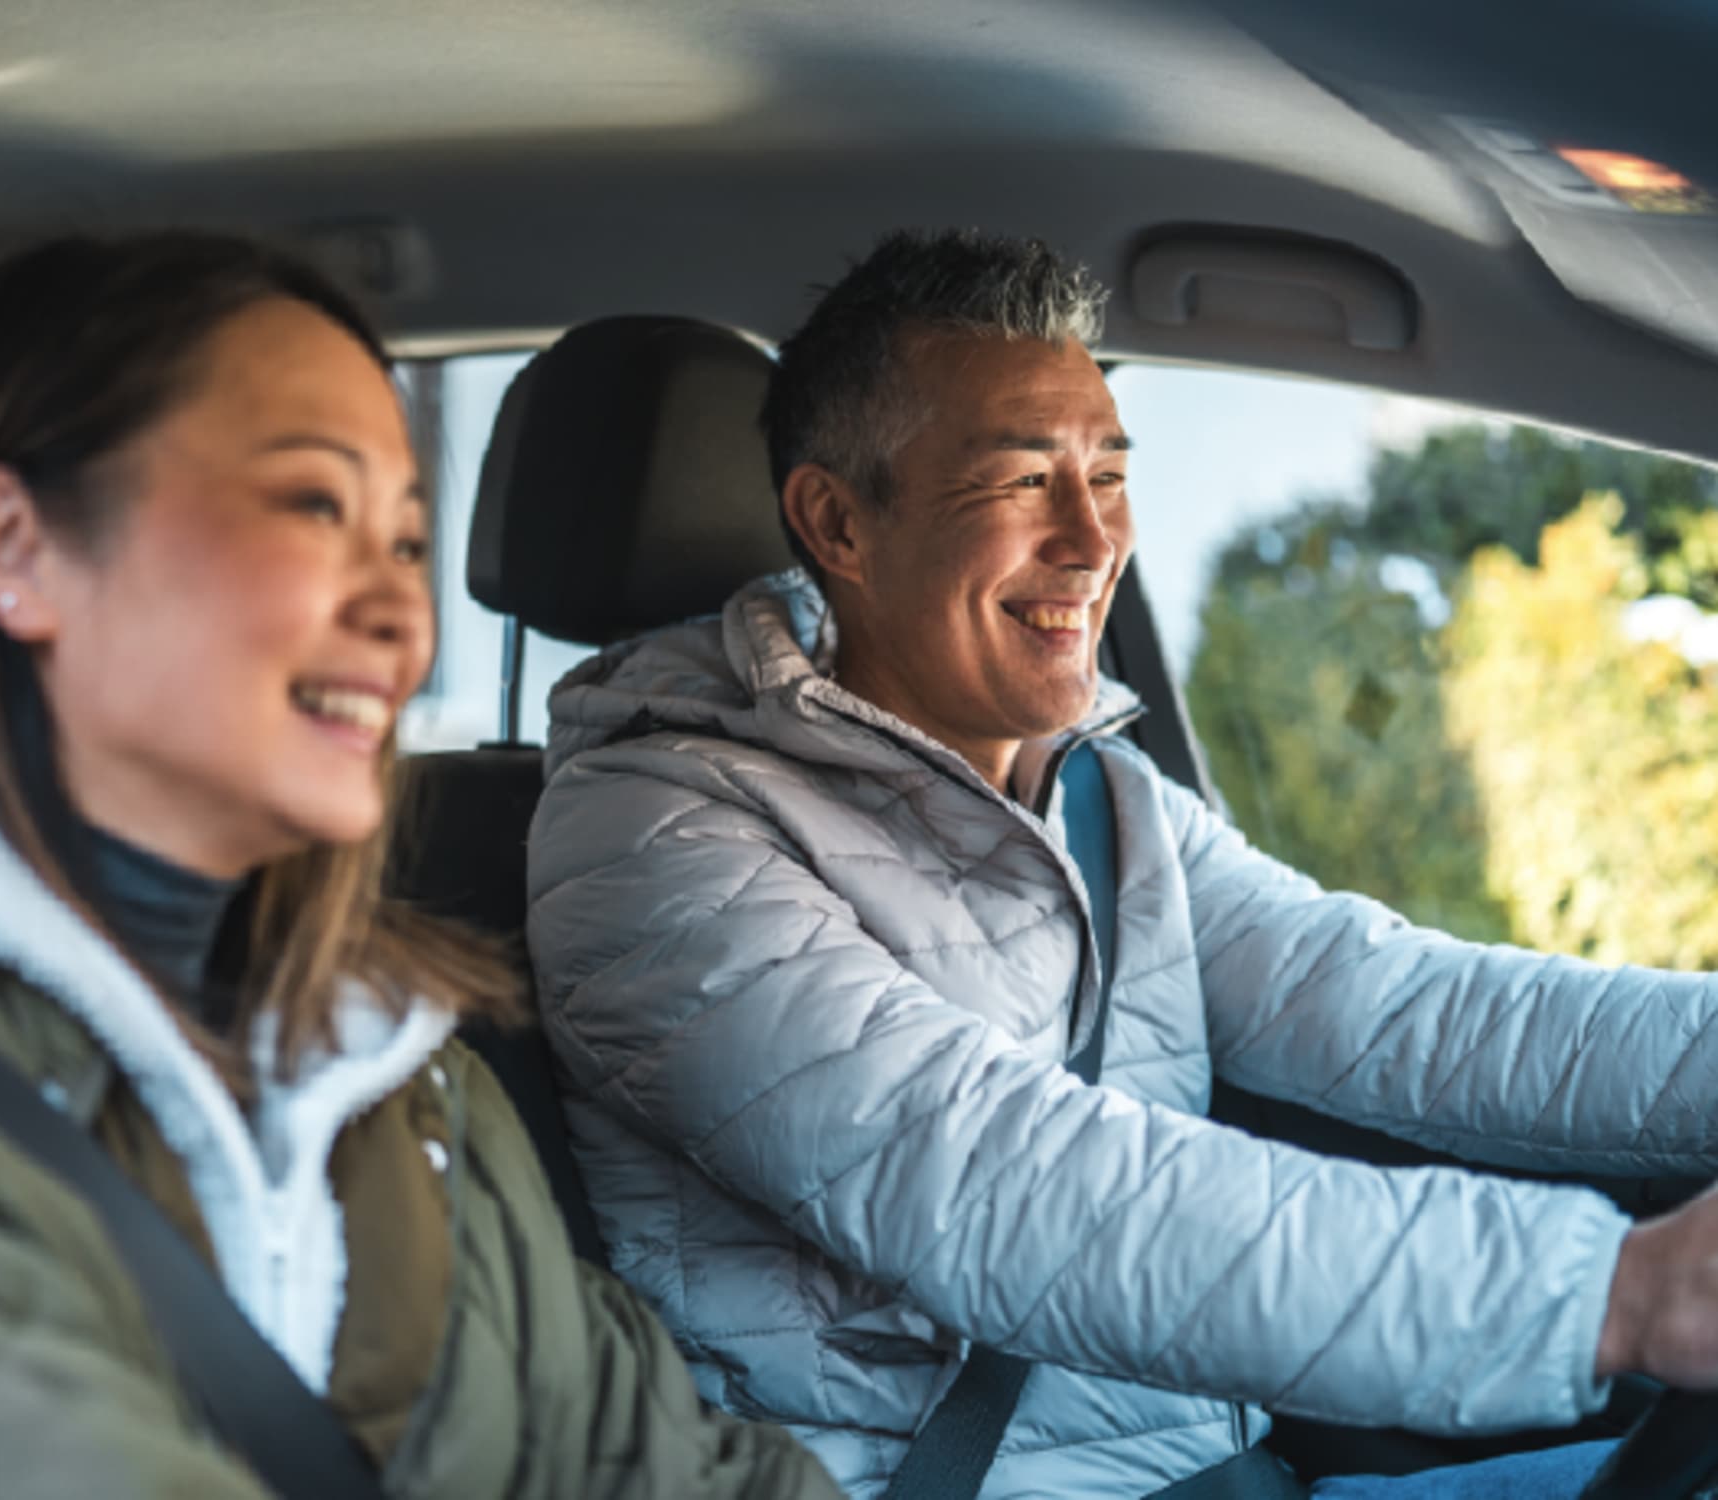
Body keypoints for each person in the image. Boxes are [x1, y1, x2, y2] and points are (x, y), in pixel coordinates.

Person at [524, 229, 1718, 1498]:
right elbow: (1014, 1188)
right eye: (1022, 482)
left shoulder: (1097, 793)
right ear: (838, 524)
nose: (1093, 541)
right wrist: (1617, 1296)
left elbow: (1416, 1013)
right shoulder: (650, 839)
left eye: (1106, 473)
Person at [0, 231, 843, 1500]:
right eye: (316, 506)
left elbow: (666, 1471)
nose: (401, 615)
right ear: (14, 548)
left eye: (401, 543)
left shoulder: (406, 1082)